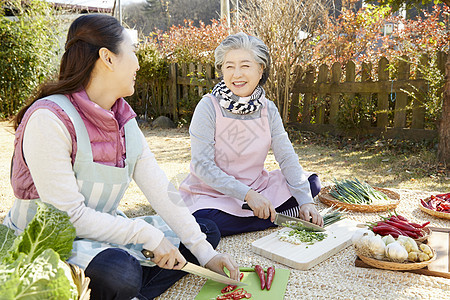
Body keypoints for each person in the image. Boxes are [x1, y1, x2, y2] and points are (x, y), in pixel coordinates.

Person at [4, 14, 239, 299]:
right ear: (108, 58)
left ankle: (129, 292)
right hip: (49, 242)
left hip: (101, 235)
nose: (138, 64)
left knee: (204, 231)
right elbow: (68, 219)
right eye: (133, 52)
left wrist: (206, 254)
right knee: (120, 273)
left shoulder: (123, 119)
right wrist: (147, 236)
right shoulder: (49, 118)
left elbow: (161, 190)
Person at [179, 32, 323, 237]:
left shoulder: (268, 109)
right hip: (213, 195)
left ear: (260, 68)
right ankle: (275, 217)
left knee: (311, 184)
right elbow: (203, 166)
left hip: (259, 187)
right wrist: (247, 195)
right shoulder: (208, 107)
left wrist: (306, 202)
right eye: (229, 66)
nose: (236, 74)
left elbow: (286, 156)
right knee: (206, 221)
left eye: (245, 65)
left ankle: (264, 216)